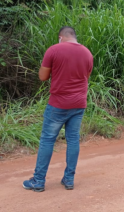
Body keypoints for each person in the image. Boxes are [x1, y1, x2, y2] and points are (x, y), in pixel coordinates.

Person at [23, 26, 93, 192]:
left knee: (48, 139)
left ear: (61, 37)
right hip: (79, 103)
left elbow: (42, 77)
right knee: (73, 139)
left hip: (58, 103)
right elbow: (85, 77)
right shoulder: (88, 53)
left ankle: (38, 181)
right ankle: (69, 179)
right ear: (74, 36)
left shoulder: (54, 50)